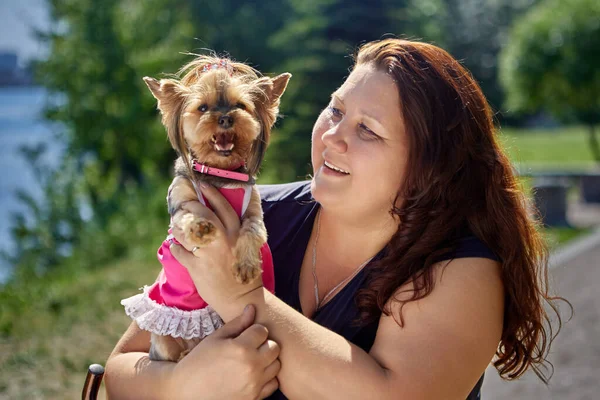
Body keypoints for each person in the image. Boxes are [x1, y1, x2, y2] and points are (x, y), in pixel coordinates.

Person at [105, 38, 565, 400]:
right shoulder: (249, 211)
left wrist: (238, 294)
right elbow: (120, 370)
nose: (333, 136)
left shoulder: (460, 272)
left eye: (367, 129)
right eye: (336, 110)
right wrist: (183, 386)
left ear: (431, 163)